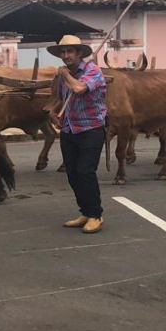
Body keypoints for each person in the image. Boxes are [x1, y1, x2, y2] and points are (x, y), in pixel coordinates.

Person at [46, 35, 107, 234]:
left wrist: (65, 76)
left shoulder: (93, 71)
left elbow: (79, 88)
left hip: (91, 129)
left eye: (70, 51)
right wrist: (53, 113)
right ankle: (86, 212)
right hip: (69, 129)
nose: (66, 56)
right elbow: (60, 99)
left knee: (85, 171)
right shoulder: (64, 77)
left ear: (79, 53)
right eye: (63, 52)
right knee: (72, 174)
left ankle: (96, 215)